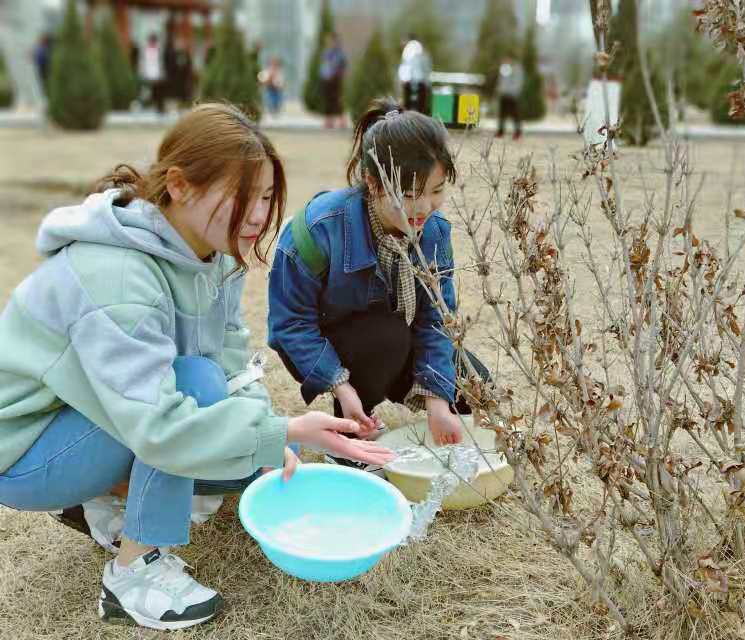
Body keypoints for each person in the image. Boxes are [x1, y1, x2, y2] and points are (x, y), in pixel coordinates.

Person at [0, 103, 393, 631]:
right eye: (242, 196)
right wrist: (280, 429)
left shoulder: (216, 255)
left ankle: (103, 503)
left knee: (257, 451)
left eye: (267, 197)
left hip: (96, 413)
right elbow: (162, 424)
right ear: (179, 186)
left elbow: (231, 360)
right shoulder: (118, 275)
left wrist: (271, 435)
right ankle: (132, 575)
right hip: (23, 450)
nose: (258, 215)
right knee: (196, 388)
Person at [268, 98, 491, 473]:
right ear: (372, 183)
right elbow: (289, 324)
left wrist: (438, 398)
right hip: (331, 343)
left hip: (392, 339)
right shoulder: (318, 231)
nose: (425, 207)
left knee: (476, 388)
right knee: (386, 337)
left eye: (437, 190)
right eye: (409, 195)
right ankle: (349, 433)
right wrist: (339, 384)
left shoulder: (434, 233)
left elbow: (436, 319)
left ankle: (398, 390)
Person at [319, 32, 347, 129]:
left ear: (336, 41)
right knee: (327, 100)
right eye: (329, 41)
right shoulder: (326, 53)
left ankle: (342, 120)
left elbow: (343, 67)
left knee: (336, 99)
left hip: (335, 79)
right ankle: (329, 121)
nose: (331, 43)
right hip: (326, 79)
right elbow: (324, 65)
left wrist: (339, 75)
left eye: (332, 41)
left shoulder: (340, 54)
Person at [398, 33, 432, 114]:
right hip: (420, 80)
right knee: (420, 107)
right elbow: (426, 66)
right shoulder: (420, 48)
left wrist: (405, 79)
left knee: (408, 107)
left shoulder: (410, 47)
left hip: (412, 80)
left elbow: (408, 65)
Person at [496, 53, 523, 140]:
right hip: (503, 94)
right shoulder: (505, 68)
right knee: (502, 114)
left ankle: (518, 132)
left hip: (512, 95)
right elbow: (501, 81)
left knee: (514, 114)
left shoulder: (517, 69)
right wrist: (500, 90)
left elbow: (518, 82)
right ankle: (500, 131)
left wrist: (513, 91)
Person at [139, 33, 165, 113]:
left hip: (156, 75)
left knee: (157, 93)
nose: (152, 42)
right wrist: (142, 72)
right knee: (146, 92)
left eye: (153, 41)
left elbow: (160, 63)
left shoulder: (158, 50)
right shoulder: (145, 50)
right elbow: (143, 62)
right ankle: (145, 107)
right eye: (151, 41)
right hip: (147, 75)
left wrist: (161, 73)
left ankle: (158, 108)